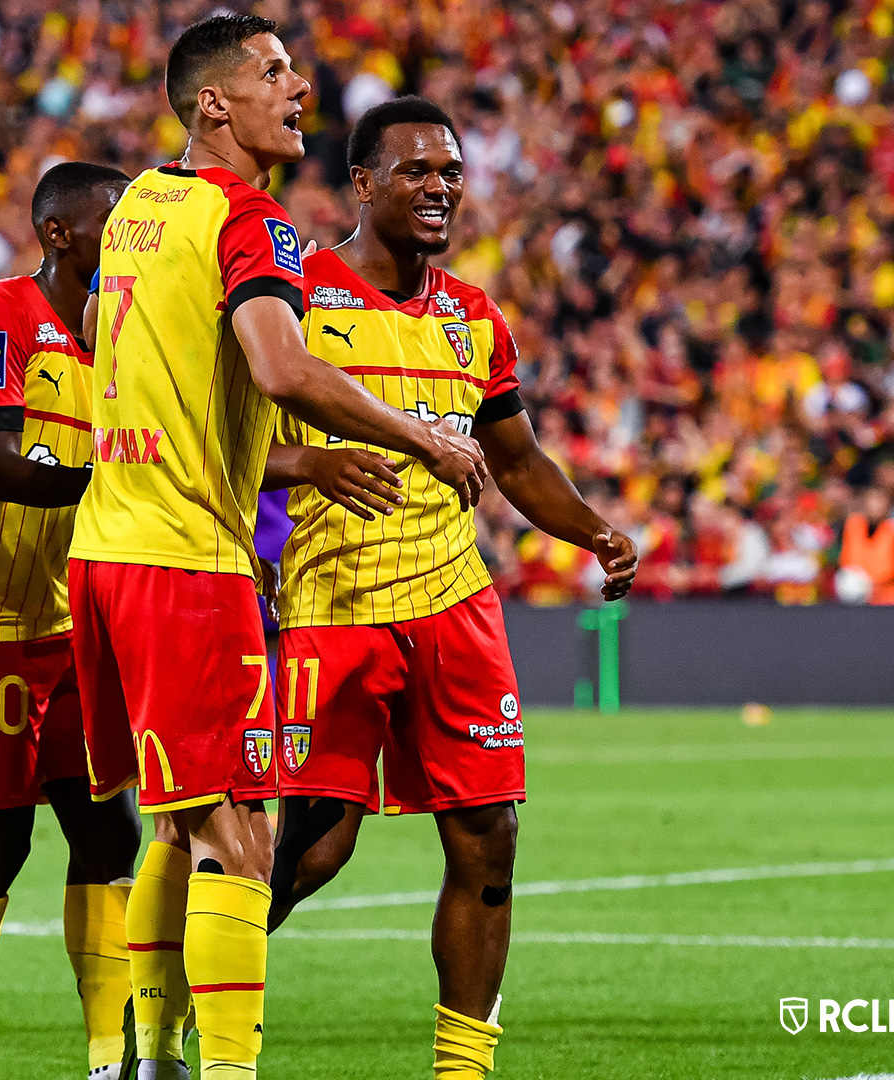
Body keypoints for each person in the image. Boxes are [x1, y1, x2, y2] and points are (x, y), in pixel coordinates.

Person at [69, 17, 487, 1080]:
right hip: (186, 565)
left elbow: (162, 385)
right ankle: (222, 1072)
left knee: (177, 823)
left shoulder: (136, 210)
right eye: (272, 72)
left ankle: (143, 1056)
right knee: (243, 838)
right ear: (214, 104)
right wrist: (423, 436)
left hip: (108, 550)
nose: (299, 85)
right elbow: (282, 370)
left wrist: (292, 468)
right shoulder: (248, 220)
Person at [262, 96, 639, 1080]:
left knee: (490, 839)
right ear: (362, 183)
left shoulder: (476, 318)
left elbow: (515, 463)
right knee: (307, 849)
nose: (439, 189)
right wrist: (303, 470)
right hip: (333, 607)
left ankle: (462, 1071)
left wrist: (593, 528)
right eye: (417, 171)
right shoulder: (295, 292)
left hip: (455, 608)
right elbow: (224, 443)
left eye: (451, 174)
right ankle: (179, 1017)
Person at [0, 161, 142, 1080]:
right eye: (111, 223)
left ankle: (107, 1058)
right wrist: (114, 487)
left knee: (107, 831)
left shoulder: (125, 342)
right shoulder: (0, 317)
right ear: (59, 233)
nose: (127, 239)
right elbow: (2, 464)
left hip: (75, 625)